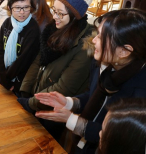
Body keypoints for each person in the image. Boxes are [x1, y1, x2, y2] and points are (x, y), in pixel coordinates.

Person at [34, 9, 146, 154]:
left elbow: (118, 137)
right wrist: (69, 103)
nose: (93, 40)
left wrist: (72, 120)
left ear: (124, 51)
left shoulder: (140, 92)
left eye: (101, 37)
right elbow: (92, 95)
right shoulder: (103, 64)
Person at [18, 0, 96, 140]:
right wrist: (25, 90)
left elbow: (65, 86)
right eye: (54, 10)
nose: (54, 17)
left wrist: (32, 102)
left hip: (55, 111)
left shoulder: (87, 44)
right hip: (38, 98)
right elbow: (39, 60)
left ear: (75, 15)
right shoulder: (54, 29)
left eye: (60, 13)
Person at [0, 0, 40, 96]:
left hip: (19, 82)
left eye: (26, 8)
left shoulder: (33, 29)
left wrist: (7, 79)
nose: (22, 12)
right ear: (10, 7)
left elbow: (23, 61)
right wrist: (2, 77)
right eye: (17, 8)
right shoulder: (7, 23)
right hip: (4, 78)